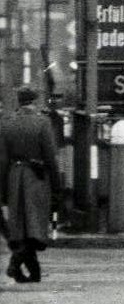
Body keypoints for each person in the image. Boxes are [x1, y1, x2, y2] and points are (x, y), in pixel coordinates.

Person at [0, 88, 62, 284]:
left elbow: (2, 159)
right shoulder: (42, 122)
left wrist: (3, 188)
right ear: (34, 101)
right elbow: (50, 157)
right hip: (36, 178)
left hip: (14, 177)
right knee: (35, 226)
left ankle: (31, 272)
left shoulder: (6, 123)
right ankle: (15, 263)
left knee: (20, 227)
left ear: (19, 102)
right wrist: (57, 185)